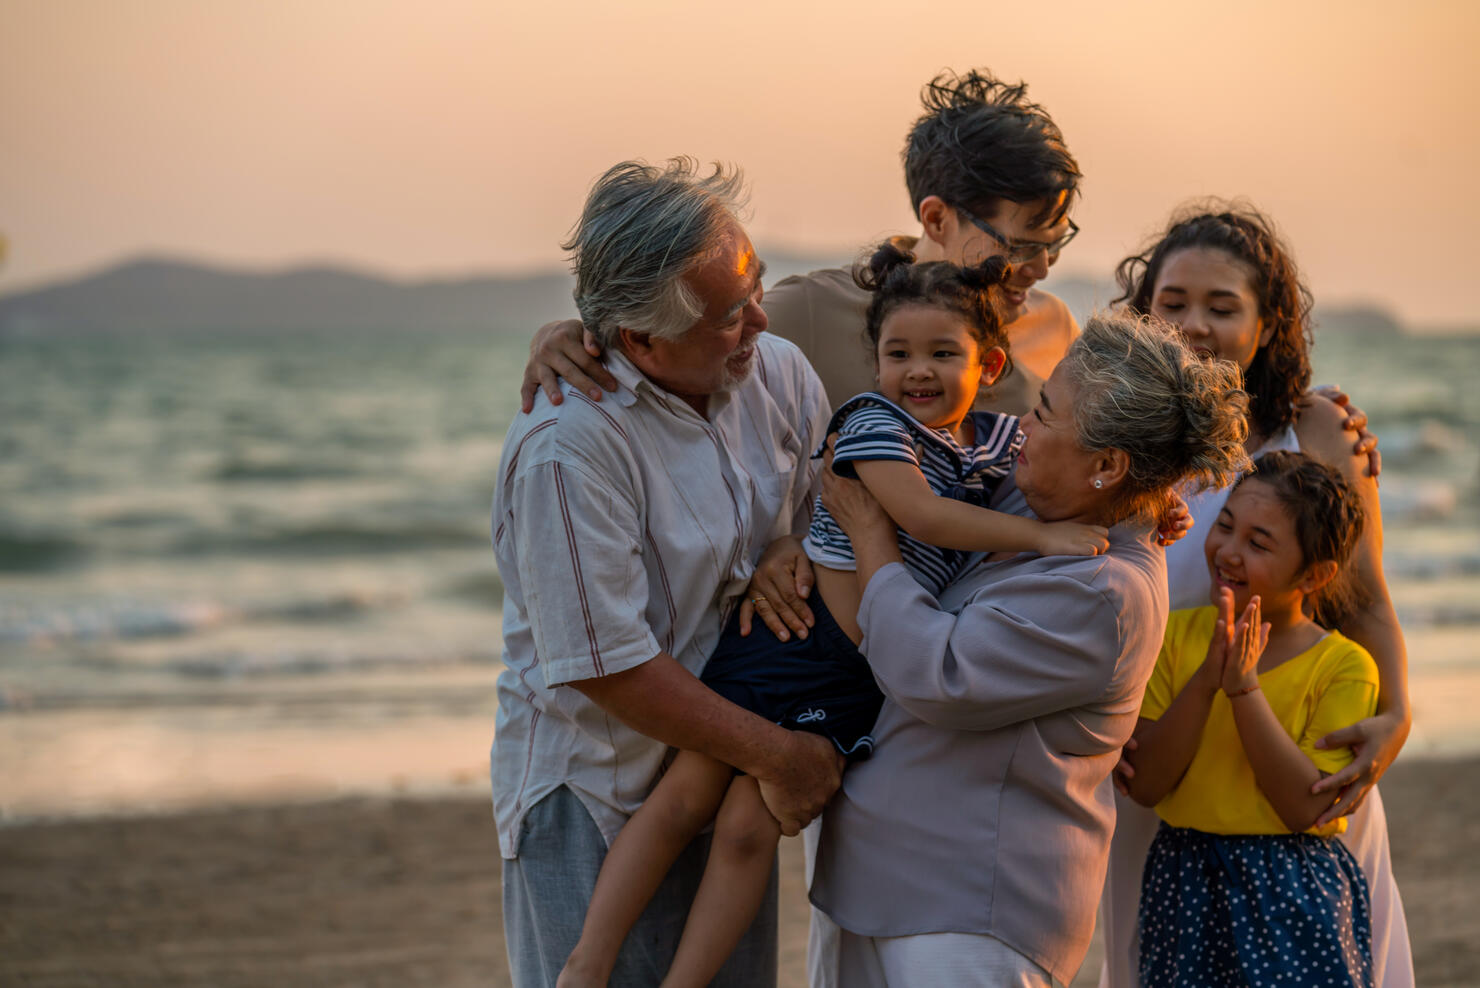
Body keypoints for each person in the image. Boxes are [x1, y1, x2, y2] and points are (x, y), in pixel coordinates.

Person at [556, 244, 1108, 988]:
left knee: (750, 831)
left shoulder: (994, 446)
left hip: (860, 682)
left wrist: (1151, 503)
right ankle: (587, 965)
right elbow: (921, 515)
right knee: (687, 796)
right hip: (796, 637)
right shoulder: (875, 422)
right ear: (873, 363)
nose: (918, 369)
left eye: (944, 353)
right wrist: (1042, 537)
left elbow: (1074, 451)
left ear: (993, 367)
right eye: (898, 351)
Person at [807, 312, 1250, 987]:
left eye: (1043, 415)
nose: (1021, 427)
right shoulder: (1038, 500)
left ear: (1106, 466)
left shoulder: (1105, 590)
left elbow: (936, 674)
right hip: (892, 887)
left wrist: (870, 538)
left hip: (970, 913)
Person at [490, 157, 841, 988]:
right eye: (729, 315)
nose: (760, 318)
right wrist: (781, 758)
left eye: (757, 286)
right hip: (600, 794)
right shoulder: (568, 447)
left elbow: (838, 512)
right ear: (640, 338)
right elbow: (606, 665)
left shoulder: (779, 372)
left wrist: (791, 547)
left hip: (725, 781)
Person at [1099, 205, 1413, 988]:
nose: (1195, 324)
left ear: (1269, 324)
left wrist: (1395, 716)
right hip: (1160, 769)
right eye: (1173, 303)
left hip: (1291, 753)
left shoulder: (1314, 428)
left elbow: (1365, 599)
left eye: (1222, 306)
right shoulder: (1116, 437)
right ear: (1146, 313)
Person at [519, 67, 1083, 424]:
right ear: (935, 217)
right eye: (1018, 248)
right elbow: (671, 347)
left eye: (1053, 247)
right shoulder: (811, 311)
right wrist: (572, 338)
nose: (1038, 270)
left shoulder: (1055, 329)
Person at [1126, 451, 1378, 987]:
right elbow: (1146, 784)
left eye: (1258, 543)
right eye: (1226, 527)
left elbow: (1303, 806)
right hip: (1184, 876)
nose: (1229, 552)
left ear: (1315, 575)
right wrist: (1206, 680)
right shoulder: (1175, 637)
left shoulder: (1344, 666)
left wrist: (1243, 688)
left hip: (1292, 882)